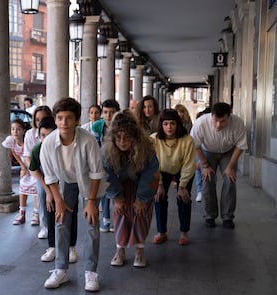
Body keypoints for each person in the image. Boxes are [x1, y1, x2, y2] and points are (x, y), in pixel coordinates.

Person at [40, 97, 105, 291]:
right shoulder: (49, 143)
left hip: (89, 182)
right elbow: (50, 176)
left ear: (77, 120)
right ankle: (60, 270)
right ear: (55, 119)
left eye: (69, 118)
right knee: (61, 222)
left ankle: (91, 272)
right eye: (60, 118)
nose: (64, 123)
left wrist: (91, 201)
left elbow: (96, 173)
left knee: (92, 224)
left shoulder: (88, 140)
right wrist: (58, 200)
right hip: (66, 181)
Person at [102, 109, 159, 267]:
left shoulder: (146, 149)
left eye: (127, 137)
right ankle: (120, 249)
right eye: (118, 137)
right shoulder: (107, 151)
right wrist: (117, 197)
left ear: (135, 136)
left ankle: (140, 249)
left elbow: (151, 174)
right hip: (120, 185)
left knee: (141, 214)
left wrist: (142, 199)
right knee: (120, 214)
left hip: (141, 184)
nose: (122, 142)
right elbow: (107, 175)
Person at [190, 102, 248, 229]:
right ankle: (209, 215)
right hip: (207, 151)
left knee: (230, 180)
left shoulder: (237, 123)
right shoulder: (201, 123)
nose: (218, 125)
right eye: (215, 120)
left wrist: (230, 166)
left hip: (228, 152)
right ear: (211, 116)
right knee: (207, 180)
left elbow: (241, 146)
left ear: (229, 117)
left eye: (222, 121)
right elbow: (195, 145)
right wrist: (205, 165)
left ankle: (227, 217)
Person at [29, 116, 77, 263]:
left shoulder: (64, 146)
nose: (46, 139)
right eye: (43, 135)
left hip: (68, 181)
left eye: (50, 135)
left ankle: (71, 247)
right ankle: (52, 247)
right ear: (38, 135)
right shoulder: (38, 149)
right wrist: (49, 192)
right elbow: (34, 169)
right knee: (51, 210)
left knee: (69, 210)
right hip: (49, 182)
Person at [151, 109, 196, 246]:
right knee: (159, 199)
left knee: (184, 199)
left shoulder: (187, 140)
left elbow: (189, 164)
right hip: (161, 170)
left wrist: (182, 186)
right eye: (165, 124)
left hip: (182, 169)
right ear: (161, 125)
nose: (169, 127)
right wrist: (159, 185)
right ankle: (161, 232)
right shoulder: (154, 139)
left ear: (178, 124)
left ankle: (184, 232)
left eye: (172, 123)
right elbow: (153, 164)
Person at [91, 99, 120, 233]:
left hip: (118, 160)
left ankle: (115, 218)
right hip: (103, 160)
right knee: (104, 189)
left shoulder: (120, 125)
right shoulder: (97, 126)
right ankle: (106, 218)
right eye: (106, 112)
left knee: (116, 189)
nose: (108, 116)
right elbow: (95, 146)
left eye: (112, 112)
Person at [2, 119, 37, 225]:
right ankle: (22, 213)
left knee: (36, 189)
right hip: (24, 166)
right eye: (13, 129)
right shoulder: (11, 141)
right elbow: (14, 153)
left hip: (33, 164)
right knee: (22, 188)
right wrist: (22, 167)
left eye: (18, 129)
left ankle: (36, 213)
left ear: (23, 131)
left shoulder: (28, 140)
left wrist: (31, 168)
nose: (15, 132)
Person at [23, 106, 53, 232]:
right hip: (38, 168)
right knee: (41, 193)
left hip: (54, 167)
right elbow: (27, 157)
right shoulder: (30, 134)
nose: (40, 122)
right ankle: (44, 226)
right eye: (37, 119)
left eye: (43, 119)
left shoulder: (53, 131)